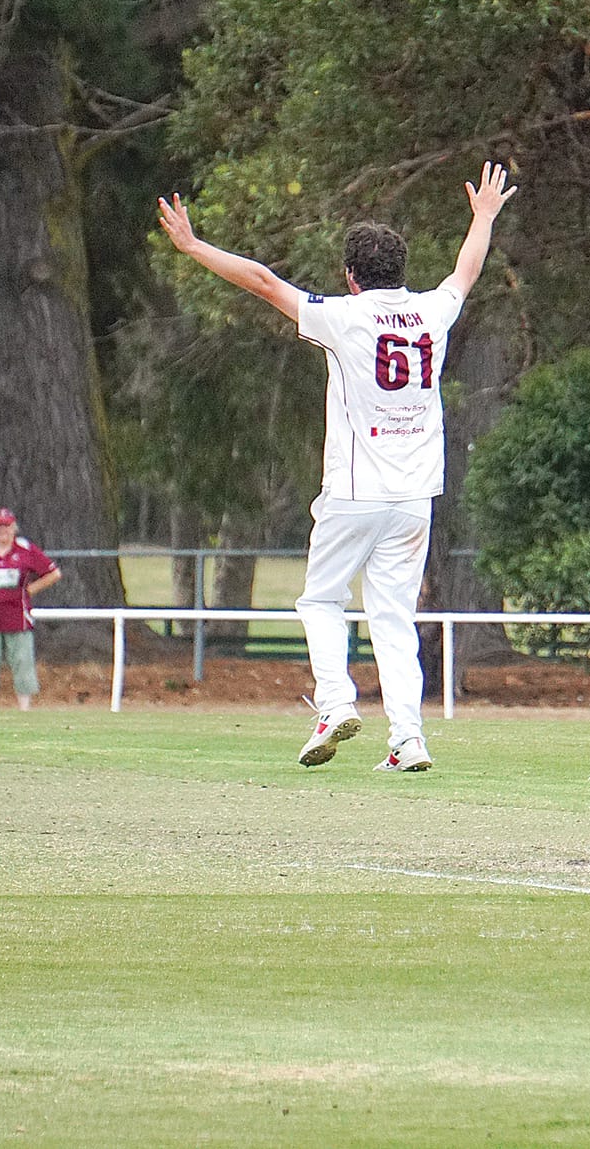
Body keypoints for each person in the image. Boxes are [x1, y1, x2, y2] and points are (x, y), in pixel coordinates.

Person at [155, 162, 516, 773]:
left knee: (321, 601)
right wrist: (481, 217)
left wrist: (192, 246)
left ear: (351, 277)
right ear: (399, 271)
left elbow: (265, 282)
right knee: (394, 617)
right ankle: (409, 739)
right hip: (414, 499)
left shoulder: (344, 316)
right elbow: (464, 272)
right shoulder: (432, 312)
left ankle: (334, 704)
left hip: (354, 491)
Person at [0, 507, 61, 712]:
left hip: (18, 617)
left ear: (13, 526)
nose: (3, 530)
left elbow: (53, 573)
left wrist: (31, 590)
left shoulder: (25, 550)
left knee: (21, 662)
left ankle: (24, 708)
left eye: (6, 526)